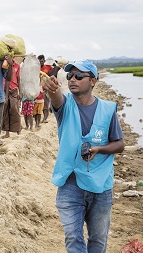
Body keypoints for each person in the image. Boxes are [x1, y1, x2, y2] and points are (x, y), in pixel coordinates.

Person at [43, 60, 125, 253]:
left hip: (101, 184)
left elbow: (120, 144)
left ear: (93, 81)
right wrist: (51, 89)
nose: (73, 80)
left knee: (98, 239)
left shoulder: (107, 109)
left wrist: (98, 149)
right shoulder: (65, 106)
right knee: (73, 237)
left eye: (79, 76)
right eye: (70, 76)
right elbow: (55, 97)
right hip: (71, 182)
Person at [1, 58, 22, 138]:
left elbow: (19, 79)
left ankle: (18, 130)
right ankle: (7, 133)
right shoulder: (3, 64)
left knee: (15, 110)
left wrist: (20, 92)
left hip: (13, 90)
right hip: (3, 90)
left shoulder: (17, 66)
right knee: (5, 111)